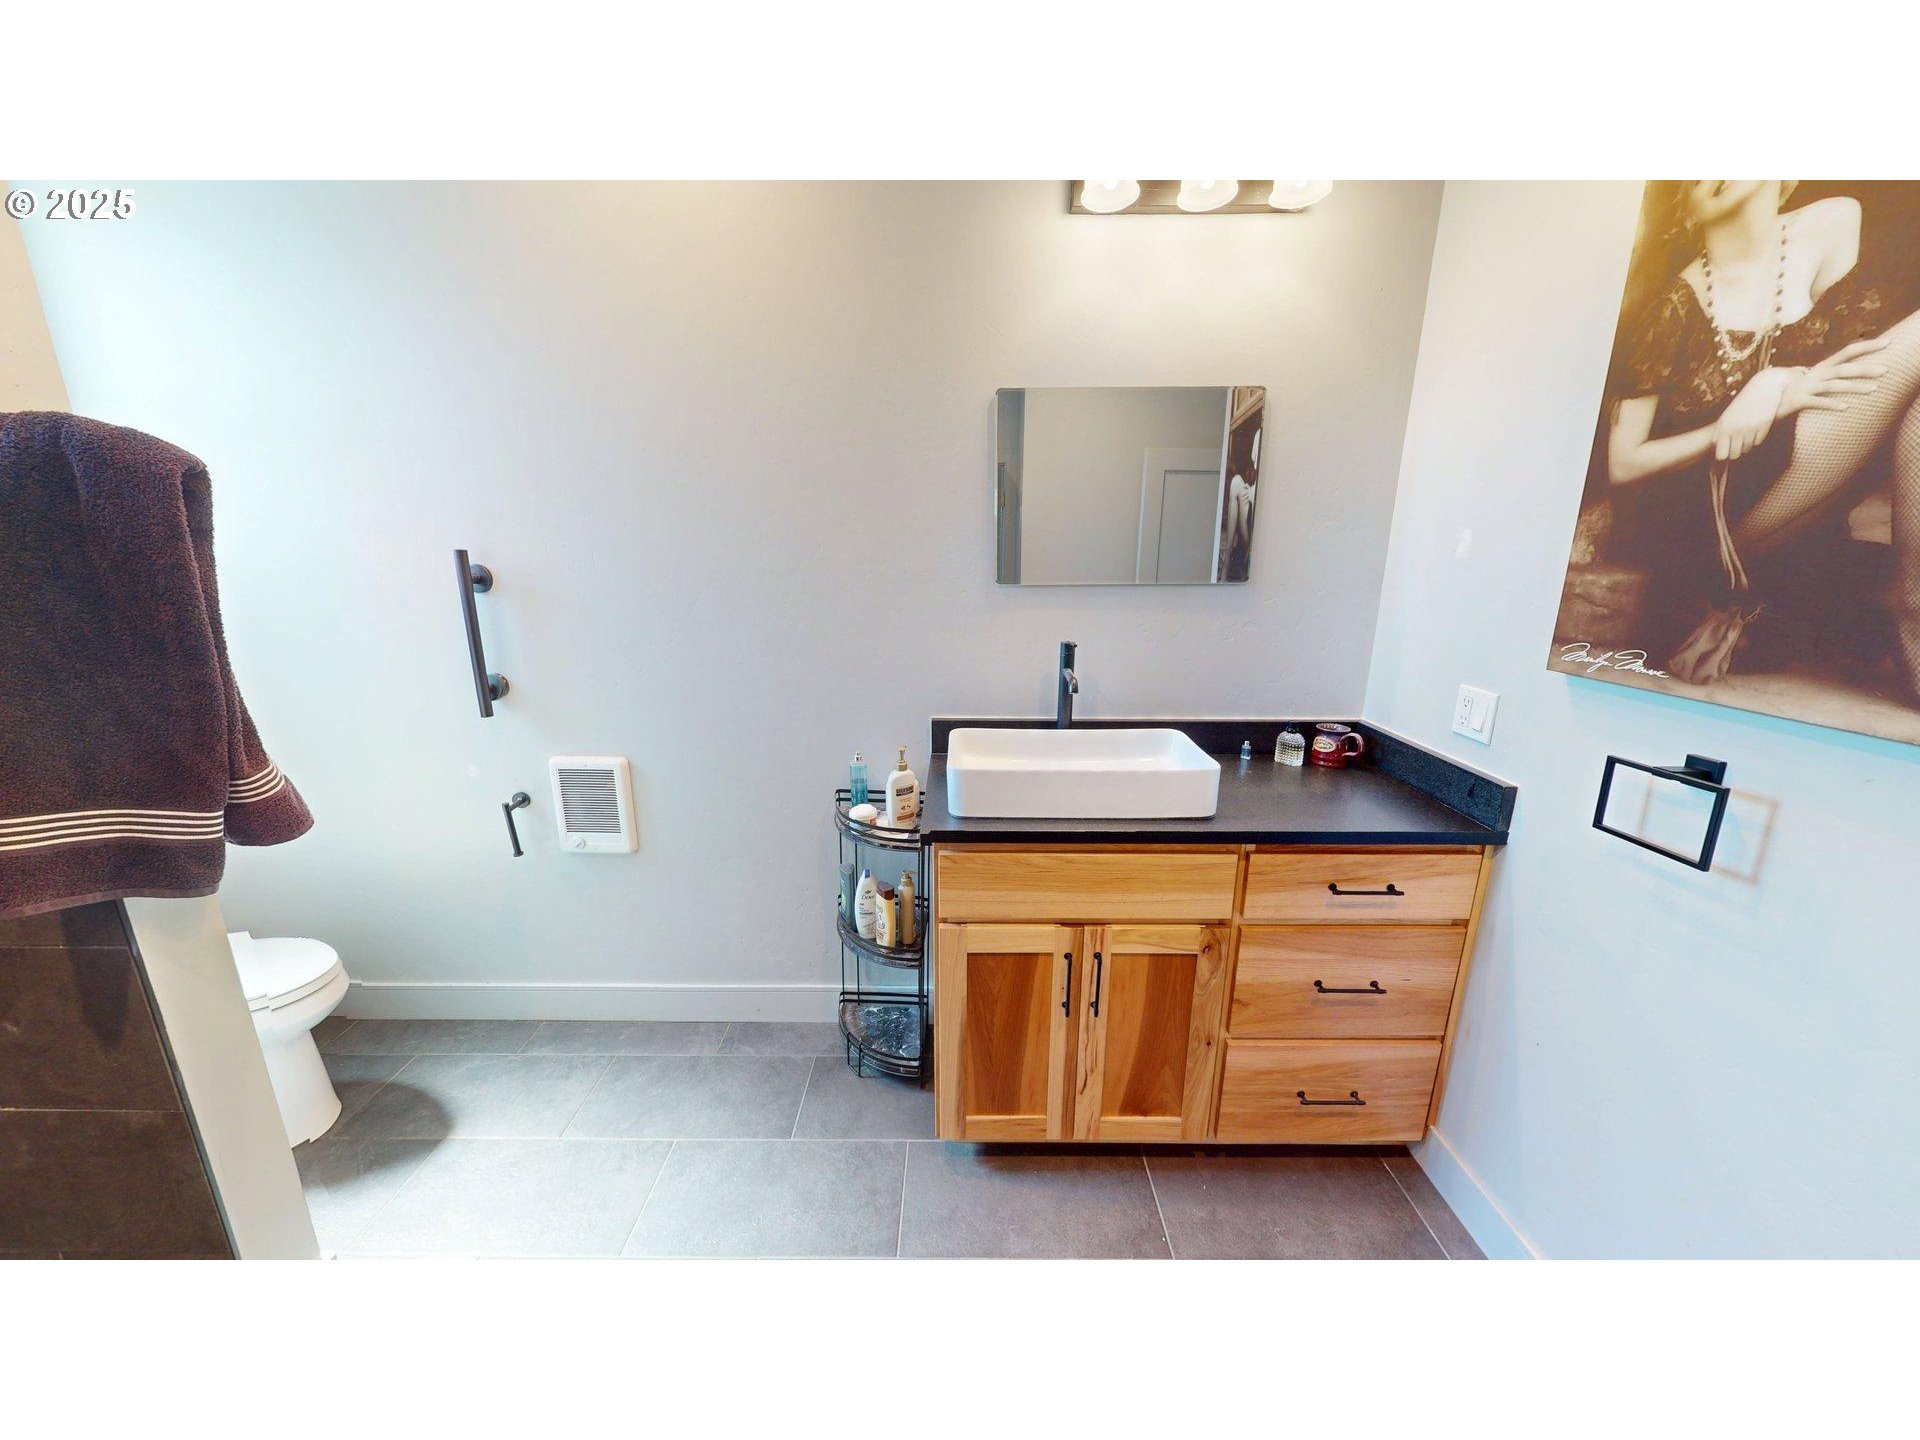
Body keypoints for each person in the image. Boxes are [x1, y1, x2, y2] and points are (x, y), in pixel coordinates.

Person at [1604, 181, 1920, 694]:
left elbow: (1849, 358)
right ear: (1682, 202)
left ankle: (1913, 611)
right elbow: (1624, 464)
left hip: (1795, 465)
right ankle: (1911, 612)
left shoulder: (1831, 223)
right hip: (1707, 509)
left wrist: (1774, 380)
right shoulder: (1672, 305)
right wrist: (1724, 425)